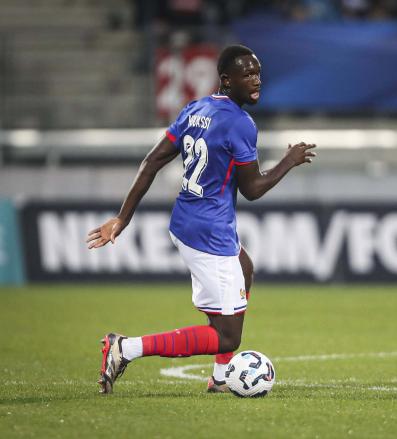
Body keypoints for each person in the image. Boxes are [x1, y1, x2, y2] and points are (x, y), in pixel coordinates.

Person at [87, 45, 317, 394]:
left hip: (188, 221)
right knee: (227, 336)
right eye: (248, 74)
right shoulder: (240, 123)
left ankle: (221, 378)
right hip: (209, 232)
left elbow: (151, 161)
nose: (257, 80)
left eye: (258, 72)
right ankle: (124, 348)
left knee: (245, 268)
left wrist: (123, 217)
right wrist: (289, 161)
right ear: (227, 80)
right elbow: (253, 188)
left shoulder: (196, 109)